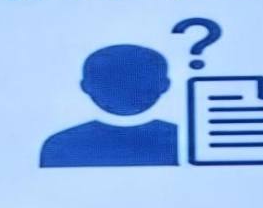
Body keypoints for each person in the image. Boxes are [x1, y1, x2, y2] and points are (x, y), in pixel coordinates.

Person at [39, 44, 178, 167]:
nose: (125, 89)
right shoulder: (61, 145)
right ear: (86, 86)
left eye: (138, 79)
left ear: (164, 85)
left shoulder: (179, 140)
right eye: (113, 81)